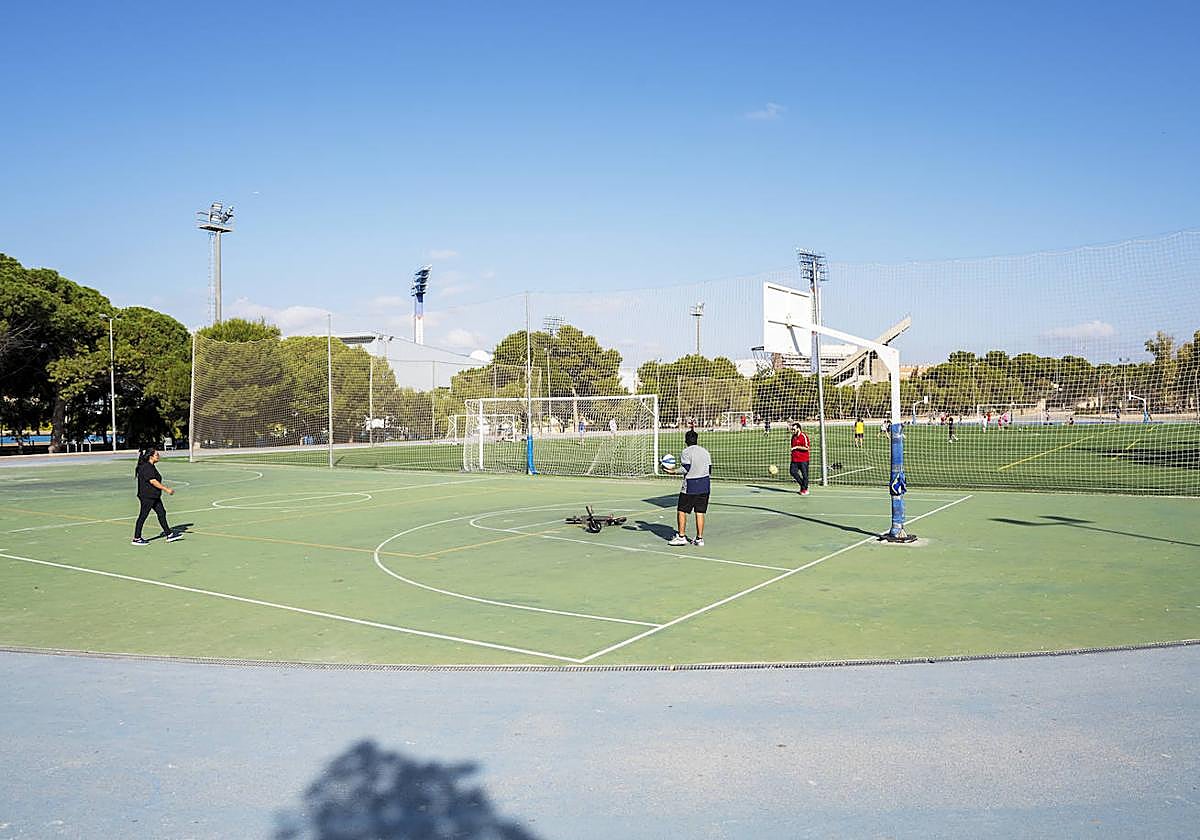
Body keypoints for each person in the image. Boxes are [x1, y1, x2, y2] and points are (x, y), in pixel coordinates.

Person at [667, 429, 711, 546]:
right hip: (705, 485)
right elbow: (709, 469)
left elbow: (685, 468)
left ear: (686, 440)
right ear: (696, 439)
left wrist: (673, 471)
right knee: (700, 512)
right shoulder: (705, 451)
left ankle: (681, 537)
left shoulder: (686, 452)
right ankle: (699, 539)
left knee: (681, 510)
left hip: (691, 485)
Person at [132, 448, 181, 545]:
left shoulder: (151, 466)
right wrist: (166, 489)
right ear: (151, 457)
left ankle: (169, 534)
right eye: (157, 455)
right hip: (147, 496)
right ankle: (136, 538)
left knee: (162, 512)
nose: (158, 456)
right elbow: (153, 481)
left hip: (154, 496)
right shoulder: (146, 467)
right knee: (143, 516)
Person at [789, 422, 811, 495]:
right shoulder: (793, 437)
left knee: (805, 475)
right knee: (792, 472)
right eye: (792, 429)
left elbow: (807, 448)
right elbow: (792, 447)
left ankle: (804, 489)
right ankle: (803, 485)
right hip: (794, 459)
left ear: (798, 428)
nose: (793, 431)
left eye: (794, 429)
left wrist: (797, 447)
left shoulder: (804, 436)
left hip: (803, 459)